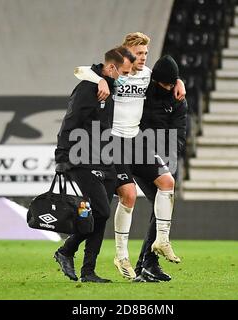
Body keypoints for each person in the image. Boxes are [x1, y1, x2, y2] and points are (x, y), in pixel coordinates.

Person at [74, 33, 186, 280]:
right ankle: (121, 256)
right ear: (126, 53)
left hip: (136, 140)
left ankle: (162, 240)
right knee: (129, 195)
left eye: (146, 53)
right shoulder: (113, 71)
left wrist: (178, 80)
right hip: (113, 141)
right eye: (139, 53)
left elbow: (166, 74)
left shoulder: (147, 75)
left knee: (167, 182)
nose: (143, 57)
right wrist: (99, 80)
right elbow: (79, 70)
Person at [53, 46, 135, 283]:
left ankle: (88, 271)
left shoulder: (106, 84)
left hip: (105, 158)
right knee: (101, 210)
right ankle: (66, 250)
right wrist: (62, 157)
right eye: (122, 71)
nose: (124, 76)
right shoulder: (88, 88)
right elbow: (70, 121)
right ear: (111, 68)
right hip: (82, 159)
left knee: (100, 216)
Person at [133, 55, 188, 282]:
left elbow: (178, 135)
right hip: (136, 154)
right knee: (161, 205)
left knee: (162, 206)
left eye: (171, 83)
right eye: (164, 83)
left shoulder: (178, 98)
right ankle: (147, 264)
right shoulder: (142, 90)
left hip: (162, 159)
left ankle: (145, 265)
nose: (168, 87)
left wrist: (166, 164)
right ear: (155, 80)